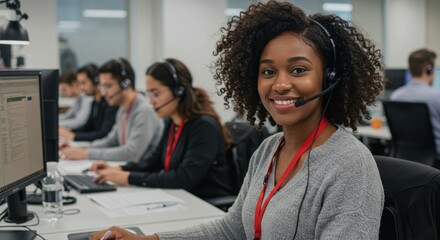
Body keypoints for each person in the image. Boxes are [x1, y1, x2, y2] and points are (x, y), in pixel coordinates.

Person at [91, 1, 384, 239]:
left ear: (329, 78)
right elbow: (231, 229)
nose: (280, 84)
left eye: (298, 70)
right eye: (268, 72)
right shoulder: (269, 151)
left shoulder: (350, 165)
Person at [89, 58, 233, 199]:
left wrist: (129, 177)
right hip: (181, 198)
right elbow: (154, 162)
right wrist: (119, 169)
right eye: (149, 94)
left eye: (156, 94)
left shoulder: (204, 126)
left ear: (179, 91)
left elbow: (183, 178)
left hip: (206, 204)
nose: (151, 101)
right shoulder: (172, 122)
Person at [60, 58, 163, 162]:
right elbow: (110, 141)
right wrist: (80, 150)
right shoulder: (123, 110)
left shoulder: (144, 111)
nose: (103, 93)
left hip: (142, 173)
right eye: (102, 87)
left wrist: (87, 154)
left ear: (125, 84)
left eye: (107, 86)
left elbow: (131, 153)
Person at [390, 49, 440, 158]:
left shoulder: (396, 96)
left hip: (405, 158)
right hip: (435, 160)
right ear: (429, 69)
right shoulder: (436, 96)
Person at [59, 63, 118, 142]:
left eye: (83, 83)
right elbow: (88, 126)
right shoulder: (95, 102)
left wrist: (74, 136)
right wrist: (68, 133)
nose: (81, 88)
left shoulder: (109, 103)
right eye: (80, 83)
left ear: (96, 81)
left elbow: (103, 134)